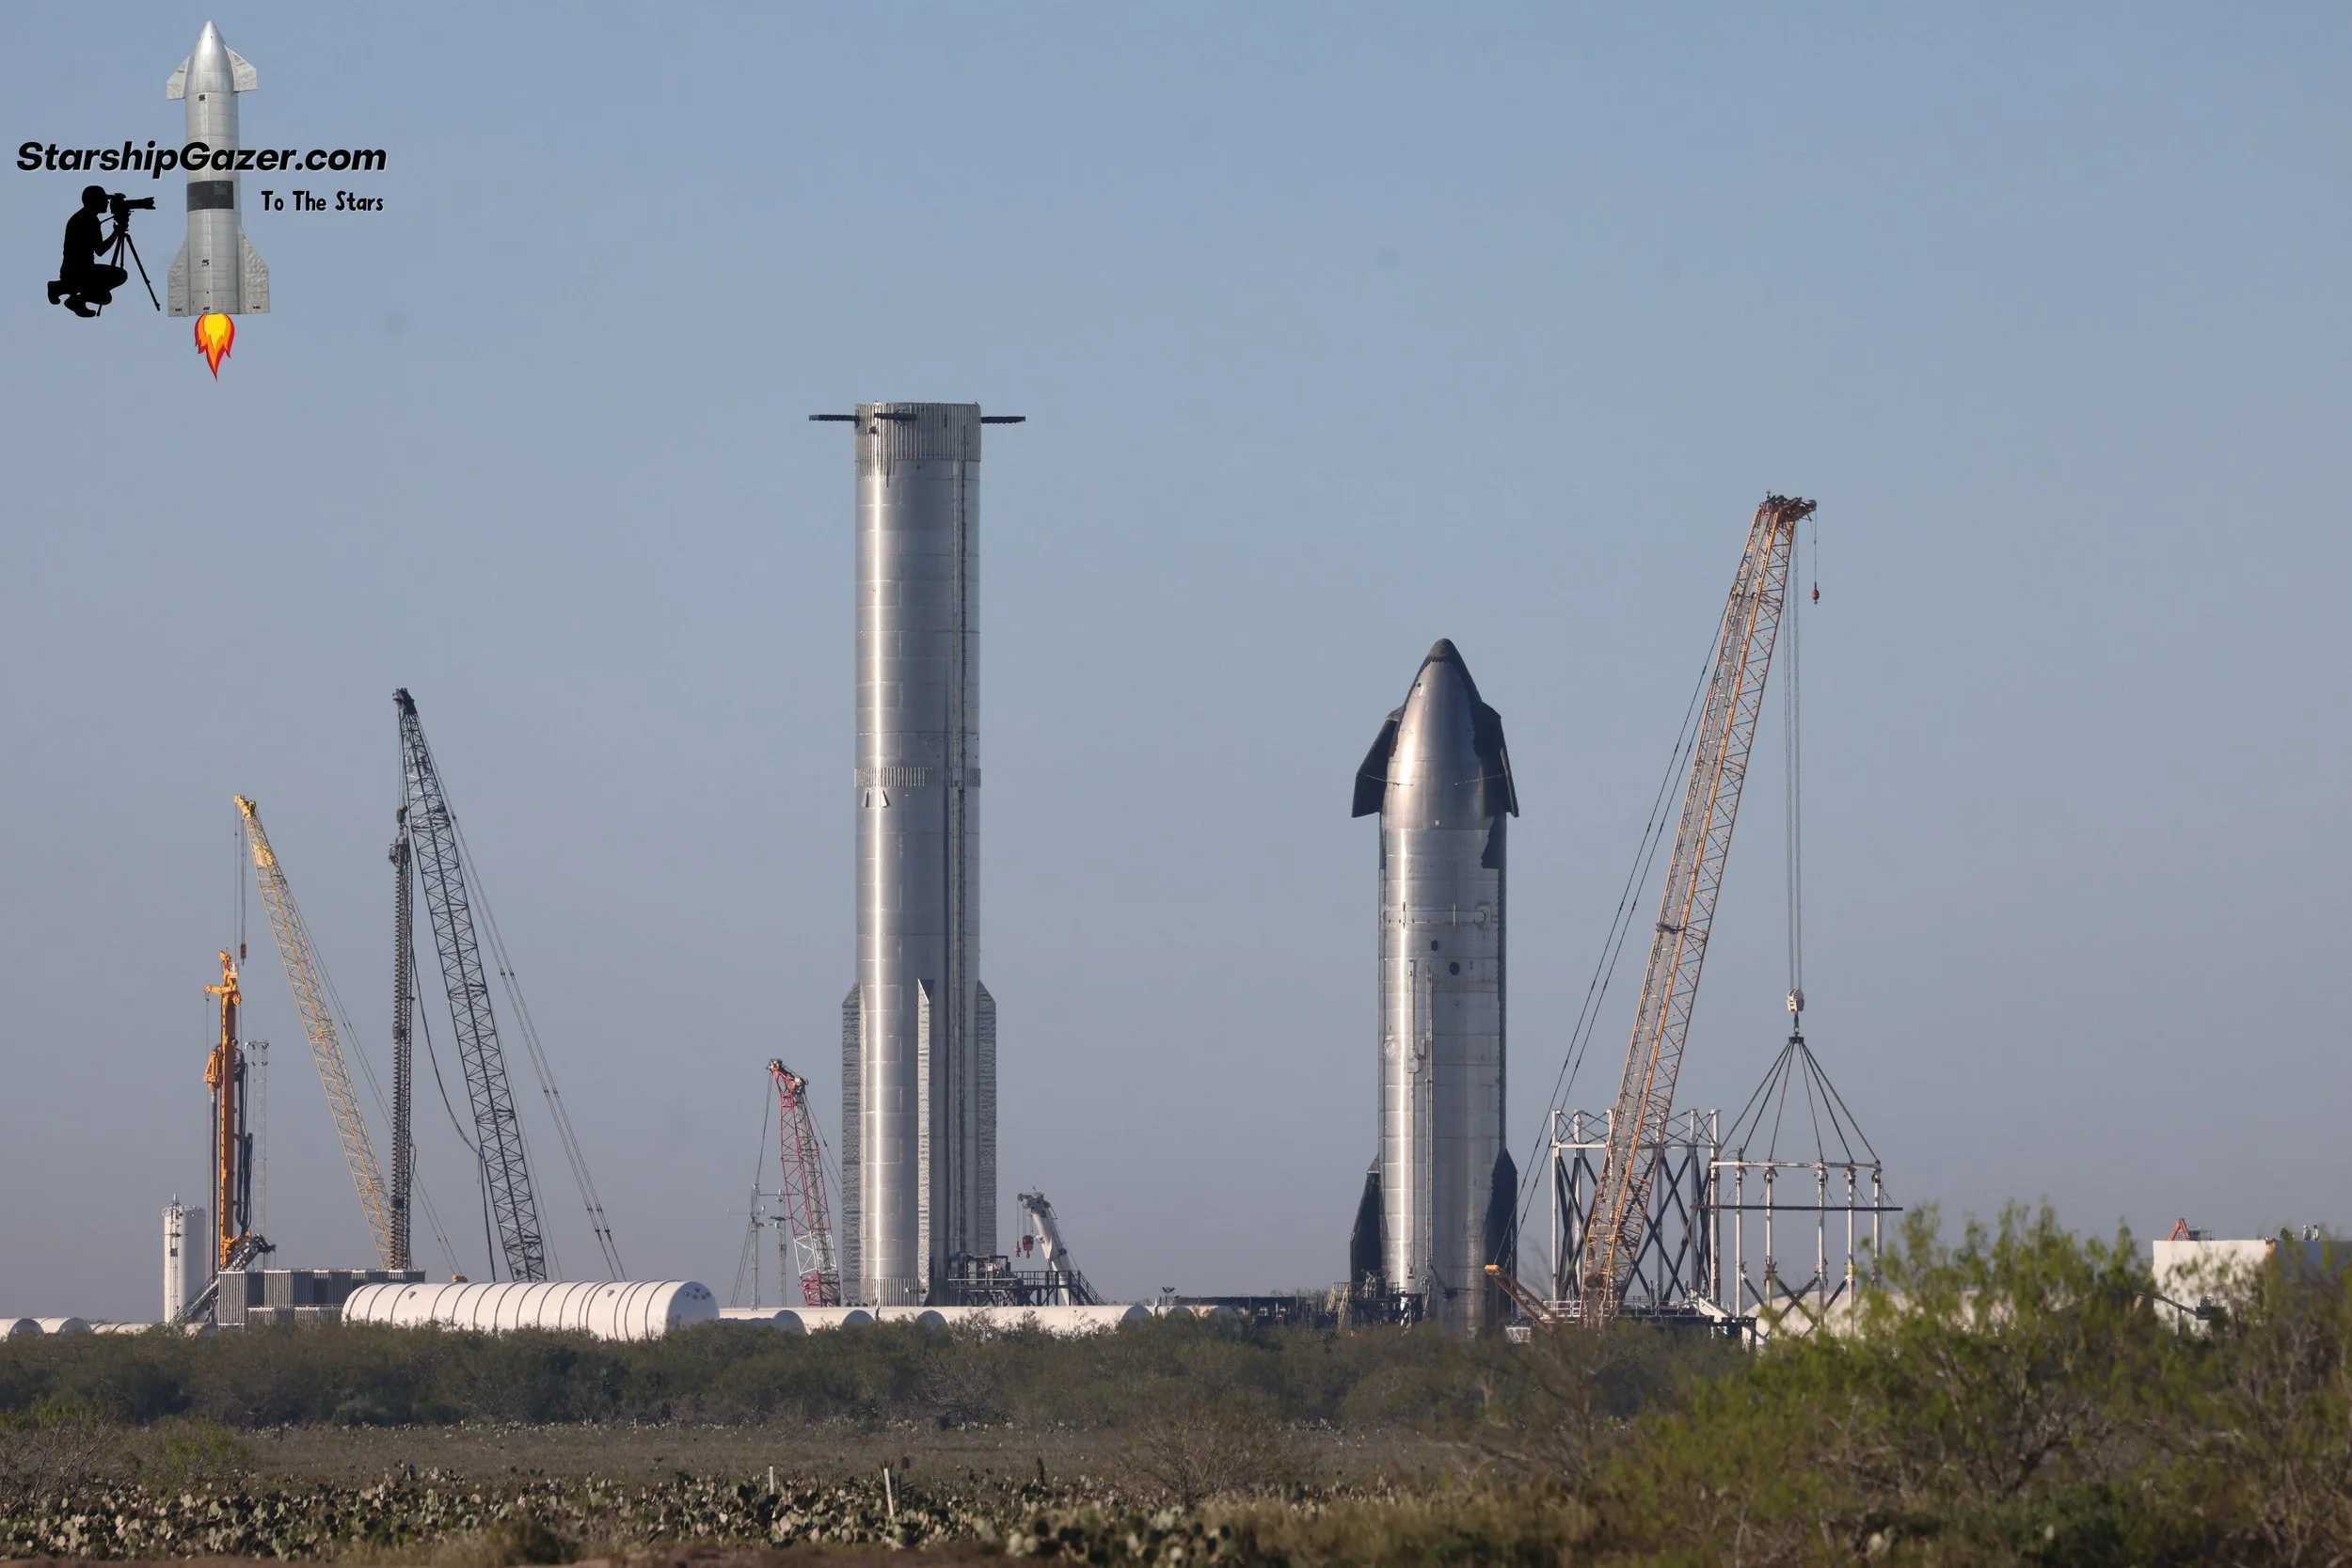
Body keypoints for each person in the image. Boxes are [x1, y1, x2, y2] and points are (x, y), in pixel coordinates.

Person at [49, 185, 127, 318]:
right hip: (81, 272)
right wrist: (116, 232)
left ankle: (60, 287)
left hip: (72, 271)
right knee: (118, 279)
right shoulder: (90, 220)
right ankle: (75, 299)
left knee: (102, 294)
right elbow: (100, 250)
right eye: (104, 200)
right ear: (94, 201)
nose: (107, 203)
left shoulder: (83, 217)